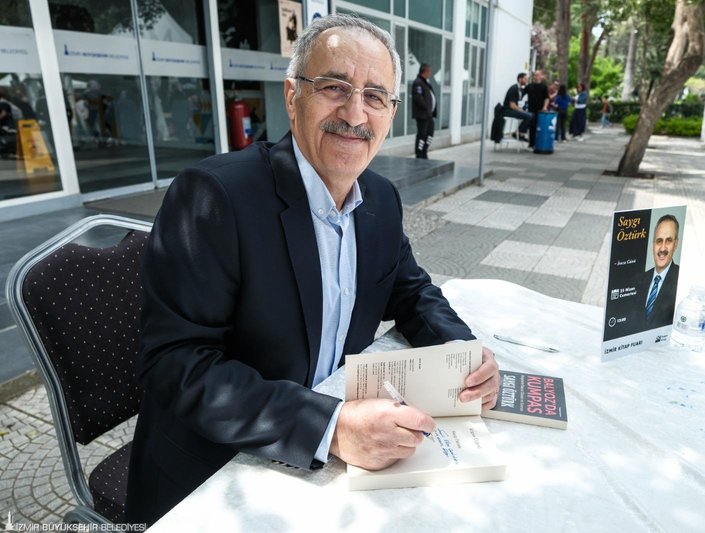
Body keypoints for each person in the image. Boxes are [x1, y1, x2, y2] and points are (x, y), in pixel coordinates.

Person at [124, 15, 499, 526]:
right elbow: (175, 364)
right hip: (218, 472)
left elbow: (411, 291)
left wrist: (464, 354)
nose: (354, 113)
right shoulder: (215, 197)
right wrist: (331, 426)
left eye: (374, 96)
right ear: (292, 95)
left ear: (391, 112)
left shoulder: (380, 198)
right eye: (334, 87)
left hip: (327, 466)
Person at [636, 214, 681, 330]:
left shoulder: (681, 279)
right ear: (653, 245)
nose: (662, 248)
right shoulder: (639, 279)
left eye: (669, 241)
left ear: (676, 244)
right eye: (659, 241)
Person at [412, 63, 436, 158]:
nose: (430, 73)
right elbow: (418, 98)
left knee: (430, 134)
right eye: (429, 71)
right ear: (425, 71)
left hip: (429, 115)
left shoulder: (425, 82)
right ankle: (419, 154)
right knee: (422, 135)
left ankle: (424, 151)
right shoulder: (418, 82)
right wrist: (426, 108)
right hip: (423, 115)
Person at [501, 72, 532, 141]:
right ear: (520, 79)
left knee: (532, 115)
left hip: (513, 109)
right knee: (529, 116)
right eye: (525, 79)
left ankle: (520, 133)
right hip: (508, 110)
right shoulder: (514, 89)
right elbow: (512, 105)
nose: (527, 80)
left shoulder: (519, 89)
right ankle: (518, 133)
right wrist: (521, 110)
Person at [524, 70, 549, 149]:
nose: (536, 76)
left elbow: (546, 98)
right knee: (532, 127)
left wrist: (545, 106)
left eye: (538, 75)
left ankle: (540, 143)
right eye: (535, 75)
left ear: (541, 76)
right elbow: (521, 94)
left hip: (540, 110)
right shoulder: (529, 86)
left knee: (540, 127)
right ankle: (531, 144)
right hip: (531, 109)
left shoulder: (544, 87)